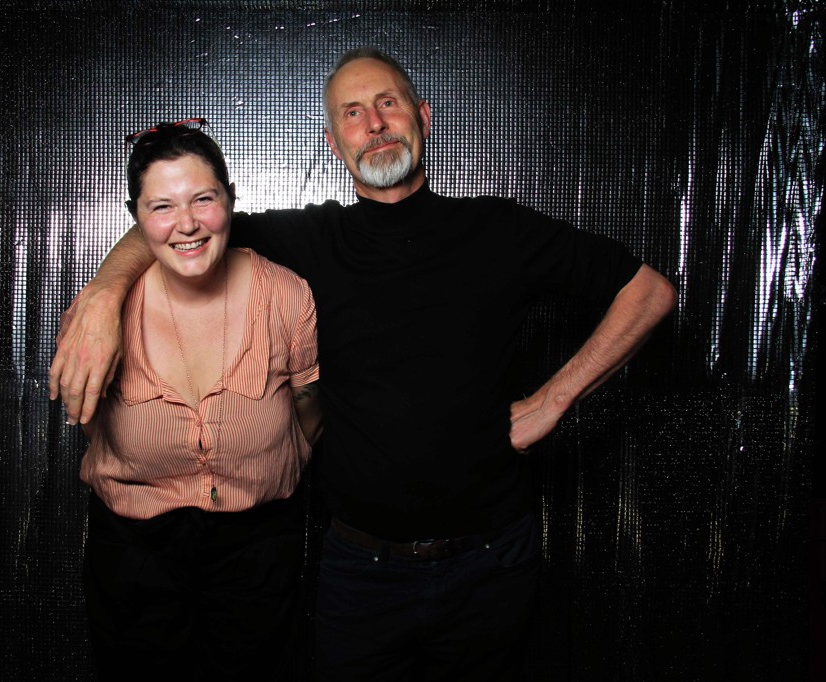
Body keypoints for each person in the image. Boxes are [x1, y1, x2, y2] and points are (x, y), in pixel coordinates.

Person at [51, 48, 677, 680]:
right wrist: (105, 295)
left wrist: (553, 400)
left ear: (423, 117)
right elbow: (184, 223)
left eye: (387, 103)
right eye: (352, 113)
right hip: (360, 571)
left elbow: (648, 292)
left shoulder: (498, 228)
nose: (374, 123)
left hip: (491, 561)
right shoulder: (309, 242)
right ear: (332, 143)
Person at [68, 119, 321, 681]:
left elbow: (309, 406)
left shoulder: (286, 295)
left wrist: (271, 463)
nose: (186, 224)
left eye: (203, 199)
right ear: (136, 219)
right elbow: (91, 423)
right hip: (135, 554)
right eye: (162, 207)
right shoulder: (100, 315)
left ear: (230, 199)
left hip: (259, 548)